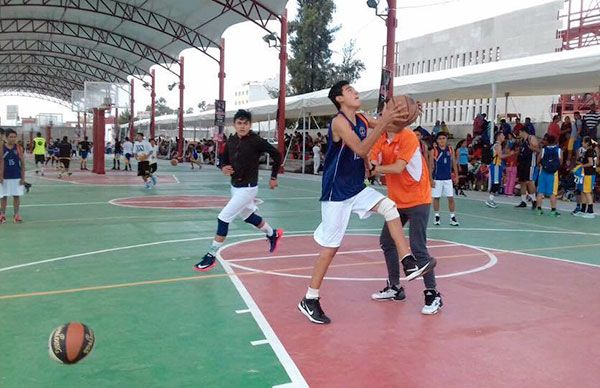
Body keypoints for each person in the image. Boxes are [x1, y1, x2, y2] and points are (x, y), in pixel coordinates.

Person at [297, 82, 434, 324]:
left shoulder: (361, 118)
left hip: (357, 188)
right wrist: (384, 120)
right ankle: (310, 298)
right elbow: (361, 149)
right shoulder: (339, 122)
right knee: (330, 249)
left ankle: (408, 262)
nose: (355, 92)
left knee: (389, 207)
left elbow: (391, 127)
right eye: (349, 90)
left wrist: (408, 114)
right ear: (339, 99)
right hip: (336, 193)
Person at [194, 109, 283, 272]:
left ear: (250, 125)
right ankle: (272, 233)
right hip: (235, 187)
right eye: (239, 123)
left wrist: (274, 176)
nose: (242, 126)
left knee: (223, 218)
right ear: (234, 124)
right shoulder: (232, 141)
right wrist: (223, 167)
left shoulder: (256, 141)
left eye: (246, 123)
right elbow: (222, 159)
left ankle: (211, 255)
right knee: (248, 216)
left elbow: (277, 155)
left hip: (248, 188)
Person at [369, 119, 443, 315]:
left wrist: (374, 169)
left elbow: (397, 168)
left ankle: (432, 293)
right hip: (396, 200)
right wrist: (370, 165)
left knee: (418, 247)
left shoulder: (408, 136)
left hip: (418, 199)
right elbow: (372, 158)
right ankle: (395, 287)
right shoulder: (381, 138)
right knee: (387, 241)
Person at [430, 132, 459, 226]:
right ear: (437, 140)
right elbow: (431, 166)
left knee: (450, 198)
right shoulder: (434, 151)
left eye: (444, 138)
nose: (442, 140)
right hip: (437, 178)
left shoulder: (450, 149)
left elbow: (454, 162)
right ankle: (437, 216)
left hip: (448, 179)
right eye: (440, 138)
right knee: (436, 198)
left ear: (446, 139)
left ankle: (452, 217)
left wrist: (456, 175)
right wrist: (430, 179)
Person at [0, 129, 25, 223]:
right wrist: (0, 176)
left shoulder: (18, 148)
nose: (13, 139)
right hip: (4, 176)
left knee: (16, 196)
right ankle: (2, 215)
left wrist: (23, 177)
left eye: (14, 137)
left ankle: (16, 215)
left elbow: (22, 163)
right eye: (11, 137)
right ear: (6, 137)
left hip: (16, 176)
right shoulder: (2, 147)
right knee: (3, 197)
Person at [535, 134, 562, 217]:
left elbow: (538, 160)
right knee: (553, 192)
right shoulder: (559, 150)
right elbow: (560, 162)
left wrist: (542, 165)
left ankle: (538, 209)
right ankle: (553, 211)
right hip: (553, 173)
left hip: (543, 172)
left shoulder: (543, 150)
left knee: (540, 191)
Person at [485, 132, 511, 208]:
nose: (504, 136)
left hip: (497, 165)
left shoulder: (498, 145)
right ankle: (490, 200)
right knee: (496, 183)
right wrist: (510, 154)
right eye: (502, 135)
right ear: (498, 136)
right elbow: (501, 156)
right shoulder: (497, 145)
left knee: (497, 183)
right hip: (495, 165)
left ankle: (491, 199)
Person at [515, 129, 540, 209]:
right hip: (522, 163)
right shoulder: (522, 141)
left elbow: (538, 150)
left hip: (530, 163)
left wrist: (531, 147)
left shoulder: (531, 138)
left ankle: (534, 200)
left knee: (529, 181)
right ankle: (523, 201)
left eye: (518, 132)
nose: (518, 135)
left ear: (522, 131)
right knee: (522, 181)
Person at [578, 136, 596, 219]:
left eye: (583, 142)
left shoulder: (589, 151)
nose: (582, 143)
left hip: (589, 174)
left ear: (587, 143)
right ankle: (583, 210)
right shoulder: (591, 151)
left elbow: (590, 163)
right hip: (588, 174)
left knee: (587, 192)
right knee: (585, 191)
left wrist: (582, 165)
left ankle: (590, 211)